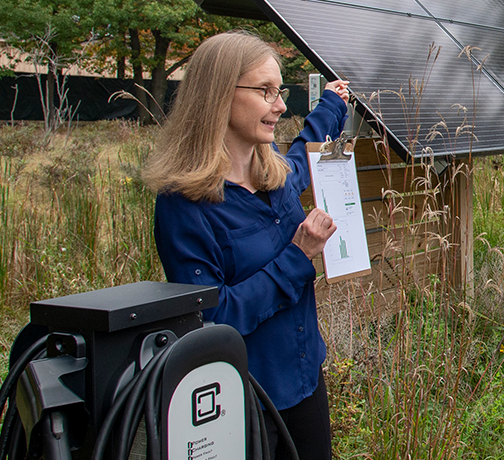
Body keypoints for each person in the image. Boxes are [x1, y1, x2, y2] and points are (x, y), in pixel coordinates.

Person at [144, 31, 351, 460]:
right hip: (244, 402)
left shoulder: (272, 171)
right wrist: (297, 256)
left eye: (279, 91)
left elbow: (299, 159)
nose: (280, 105)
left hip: (305, 377)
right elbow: (211, 318)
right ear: (219, 94)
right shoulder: (184, 204)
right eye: (265, 91)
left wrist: (331, 104)